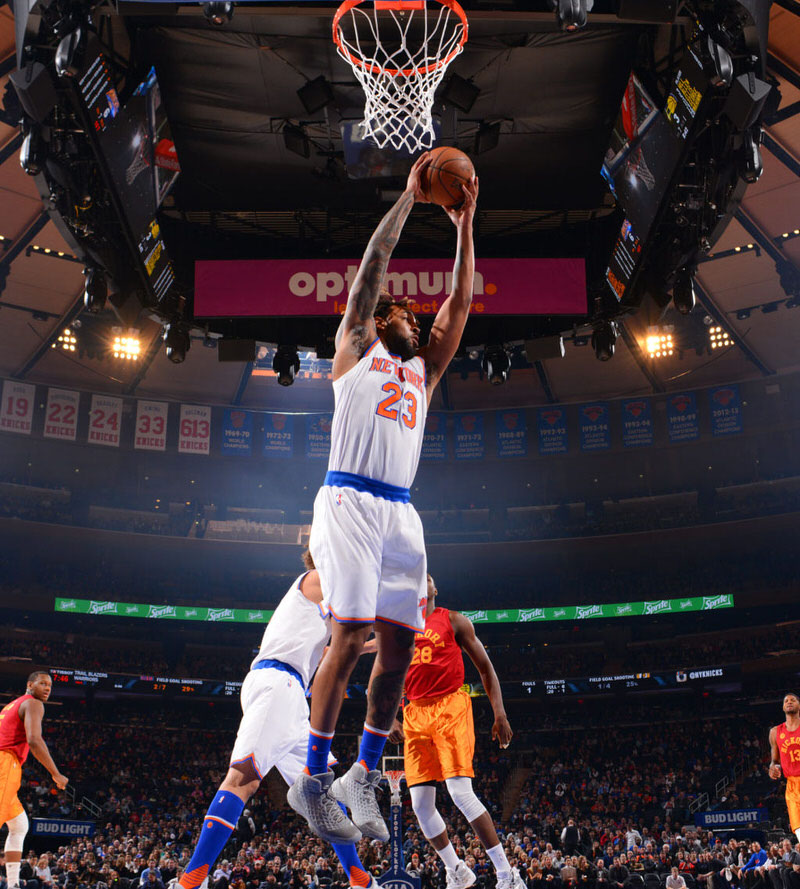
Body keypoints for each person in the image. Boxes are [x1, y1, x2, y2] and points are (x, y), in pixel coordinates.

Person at [288, 153, 478, 845]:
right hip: (347, 501)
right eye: (400, 307)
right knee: (347, 634)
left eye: (411, 310)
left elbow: (459, 303)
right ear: (378, 321)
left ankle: (361, 774)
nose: (410, 309)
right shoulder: (351, 351)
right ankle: (313, 781)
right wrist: (407, 198)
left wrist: (466, 225)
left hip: (401, 508)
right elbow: (373, 264)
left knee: (397, 648)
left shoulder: (424, 374)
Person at [176, 554, 378, 889]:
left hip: (291, 693)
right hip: (277, 683)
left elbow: (334, 651)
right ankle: (190, 881)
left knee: (322, 794)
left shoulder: (317, 612)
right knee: (243, 779)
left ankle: (360, 879)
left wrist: (373, 646)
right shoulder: (316, 578)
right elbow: (355, 613)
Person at [388, 575, 522, 889]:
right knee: (420, 805)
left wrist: (499, 712)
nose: (423, 579)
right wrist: (389, 717)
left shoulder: (453, 620)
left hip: (450, 706)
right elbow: (390, 677)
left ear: (434, 589)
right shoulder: (401, 628)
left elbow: (486, 668)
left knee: (460, 792)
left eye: (428, 578)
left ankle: (507, 875)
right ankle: (458, 870)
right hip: (414, 712)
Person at [0, 672, 68, 889]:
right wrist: (55, 773)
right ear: (30, 684)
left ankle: (12, 885)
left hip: (6, 762)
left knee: (19, 825)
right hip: (4, 763)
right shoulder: (33, 703)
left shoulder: (12, 704)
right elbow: (34, 739)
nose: (47, 688)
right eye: (43, 683)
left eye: (50, 685)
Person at [769, 694, 800, 844]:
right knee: (798, 828)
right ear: (782, 707)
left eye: (793, 700)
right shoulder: (775, 732)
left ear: (799, 705)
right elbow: (775, 761)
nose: (789, 702)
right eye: (786, 701)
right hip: (792, 785)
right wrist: (772, 768)